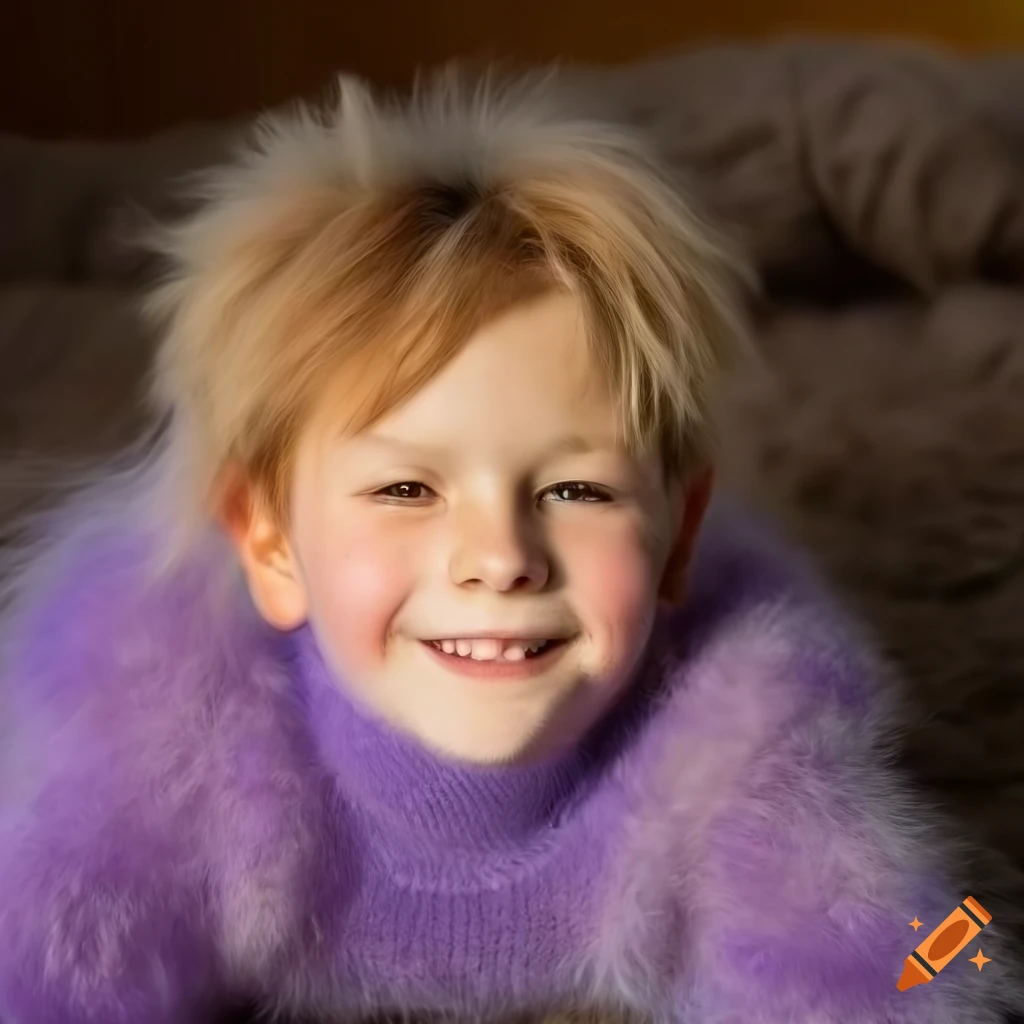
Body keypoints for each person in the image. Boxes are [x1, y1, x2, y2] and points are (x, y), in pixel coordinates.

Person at [0, 70, 1020, 1024]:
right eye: (405, 487)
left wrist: (963, 939)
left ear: (678, 536)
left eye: (575, 488)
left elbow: (947, 956)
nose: (500, 557)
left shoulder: (732, 744)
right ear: (268, 544)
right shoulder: (155, 739)